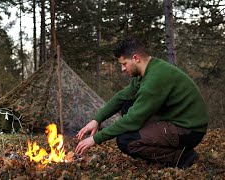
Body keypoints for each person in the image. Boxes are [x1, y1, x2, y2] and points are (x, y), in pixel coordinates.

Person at [75, 38, 209, 169]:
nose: (122, 69)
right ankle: (162, 146)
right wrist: (96, 120)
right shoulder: (147, 70)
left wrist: (95, 139)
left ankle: (182, 157)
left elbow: (132, 120)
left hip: (189, 129)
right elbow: (122, 97)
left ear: (136, 58)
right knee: (127, 104)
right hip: (175, 118)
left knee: (126, 140)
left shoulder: (154, 79)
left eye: (124, 63)